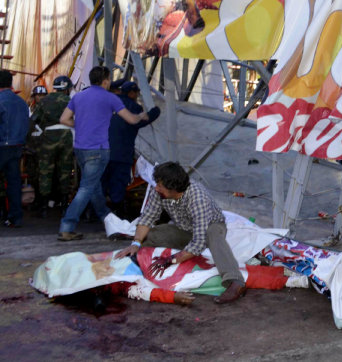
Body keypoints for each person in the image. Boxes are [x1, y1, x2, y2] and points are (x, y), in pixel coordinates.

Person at [115, 162, 247, 304]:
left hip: (209, 227)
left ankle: (235, 282)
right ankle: (139, 266)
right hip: (183, 229)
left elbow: (198, 243)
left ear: (173, 189)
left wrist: (171, 260)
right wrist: (136, 243)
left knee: (213, 234)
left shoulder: (198, 197)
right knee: (150, 235)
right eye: (157, 184)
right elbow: (147, 218)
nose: (156, 188)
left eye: (160, 186)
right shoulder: (159, 191)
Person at [57, 66, 149, 241]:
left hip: (80, 149)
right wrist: (142, 116)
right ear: (106, 81)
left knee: (94, 187)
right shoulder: (110, 98)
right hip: (98, 149)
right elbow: (130, 119)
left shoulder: (78, 96)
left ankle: (108, 219)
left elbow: (63, 119)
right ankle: (67, 226)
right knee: (87, 188)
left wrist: (80, 126)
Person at [102, 81, 160, 218]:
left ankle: (95, 213)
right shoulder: (133, 107)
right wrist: (155, 111)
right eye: (137, 93)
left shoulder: (108, 104)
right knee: (118, 182)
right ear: (132, 93)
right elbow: (143, 120)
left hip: (101, 151)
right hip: (122, 153)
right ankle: (116, 213)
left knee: (101, 182)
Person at [30, 75, 74, 218]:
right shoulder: (71, 100)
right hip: (67, 137)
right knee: (65, 170)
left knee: (45, 171)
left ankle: (43, 207)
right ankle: (64, 206)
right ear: (67, 88)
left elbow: (35, 120)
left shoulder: (45, 101)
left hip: (49, 137)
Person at [0, 70, 29, 227]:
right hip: (17, 146)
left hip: (1, 145)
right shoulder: (22, 103)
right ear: (11, 83)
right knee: (14, 183)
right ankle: (15, 217)